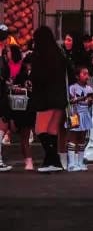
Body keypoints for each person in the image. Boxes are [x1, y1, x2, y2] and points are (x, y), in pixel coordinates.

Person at [25, 27, 69, 173]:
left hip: (45, 98)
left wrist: (31, 79)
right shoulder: (59, 53)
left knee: (40, 129)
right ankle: (51, 161)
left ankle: (53, 160)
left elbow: (38, 77)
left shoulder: (39, 56)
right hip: (59, 97)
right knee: (52, 131)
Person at [65, 66, 93, 172]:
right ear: (77, 76)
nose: (87, 76)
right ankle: (71, 163)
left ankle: (80, 162)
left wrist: (90, 101)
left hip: (85, 114)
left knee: (82, 138)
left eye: (88, 74)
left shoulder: (89, 89)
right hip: (75, 114)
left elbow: (90, 103)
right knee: (73, 138)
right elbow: (70, 101)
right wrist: (83, 98)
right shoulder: (73, 87)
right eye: (84, 74)